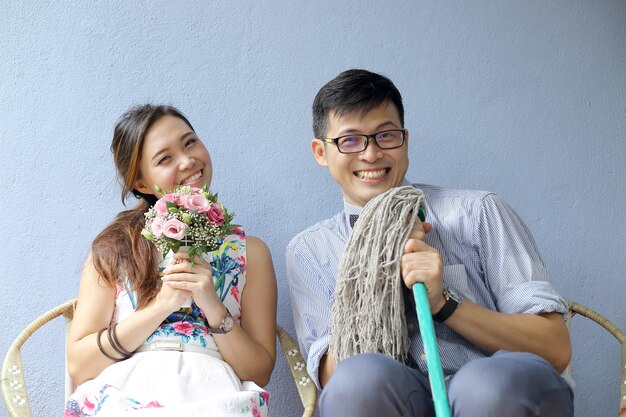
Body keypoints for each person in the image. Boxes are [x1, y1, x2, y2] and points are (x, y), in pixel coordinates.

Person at [286, 69, 574, 417]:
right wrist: (375, 279)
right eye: (350, 140)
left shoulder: (478, 212)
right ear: (320, 151)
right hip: (399, 399)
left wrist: (444, 303)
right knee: (359, 381)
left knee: (483, 387)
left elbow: (553, 346)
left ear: (405, 140)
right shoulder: (310, 251)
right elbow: (334, 383)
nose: (371, 154)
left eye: (385, 135)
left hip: (500, 394)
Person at [65, 104, 277, 417]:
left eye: (190, 142)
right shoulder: (115, 248)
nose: (188, 160)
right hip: (127, 392)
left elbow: (258, 372)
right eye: (165, 158)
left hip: (214, 394)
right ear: (142, 184)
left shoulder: (249, 252)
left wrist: (212, 306)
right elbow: (79, 364)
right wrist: (162, 305)